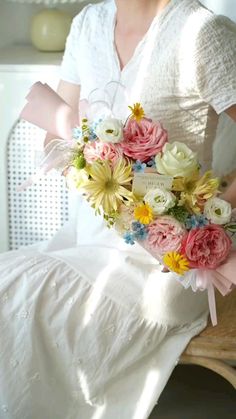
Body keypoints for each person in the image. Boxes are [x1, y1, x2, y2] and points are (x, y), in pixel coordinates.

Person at [1, 0, 236, 418]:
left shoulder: (203, 33)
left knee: (23, 299)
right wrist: (91, 156)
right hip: (84, 243)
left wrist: (212, 222)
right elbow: (55, 137)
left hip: (166, 265)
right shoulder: (87, 25)